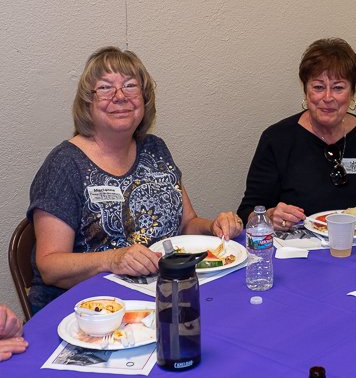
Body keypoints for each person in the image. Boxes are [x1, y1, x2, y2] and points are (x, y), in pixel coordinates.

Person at [28, 47, 243, 313]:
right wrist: (113, 259)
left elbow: (186, 225)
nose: (120, 97)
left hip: (159, 297)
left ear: (144, 99)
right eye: (105, 88)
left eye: (130, 86)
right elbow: (49, 266)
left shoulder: (154, 149)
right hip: (87, 311)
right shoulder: (65, 165)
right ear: (87, 102)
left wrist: (214, 226)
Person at [237, 38, 356, 229]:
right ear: (305, 91)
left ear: (352, 93)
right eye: (318, 87)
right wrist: (269, 216)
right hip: (299, 253)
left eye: (338, 88)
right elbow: (246, 214)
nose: (327, 98)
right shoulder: (277, 139)